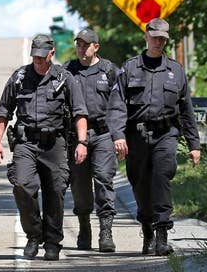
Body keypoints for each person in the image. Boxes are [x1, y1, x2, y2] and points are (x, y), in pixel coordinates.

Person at [107, 18, 201, 256]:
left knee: (162, 178)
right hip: (136, 137)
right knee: (140, 184)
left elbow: (186, 110)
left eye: (162, 38)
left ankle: (162, 236)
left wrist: (194, 144)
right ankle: (147, 230)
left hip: (165, 135)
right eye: (155, 37)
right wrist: (118, 136)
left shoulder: (175, 70)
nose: (158, 42)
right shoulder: (129, 69)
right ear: (146, 37)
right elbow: (117, 105)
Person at [0, 34, 89, 261]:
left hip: (55, 143)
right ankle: (34, 235)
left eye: (41, 56)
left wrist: (82, 142)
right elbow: (4, 111)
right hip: (26, 142)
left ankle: (53, 241)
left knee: (55, 192)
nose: (37, 60)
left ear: (51, 54)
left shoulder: (64, 78)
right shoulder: (20, 77)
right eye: (34, 56)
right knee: (22, 185)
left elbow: (80, 112)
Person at [62, 28, 119, 252]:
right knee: (80, 185)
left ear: (96, 46)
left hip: (103, 133)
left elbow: (121, 103)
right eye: (79, 44)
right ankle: (84, 226)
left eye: (86, 45)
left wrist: (120, 135)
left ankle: (106, 232)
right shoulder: (67, 71)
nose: (81, 49)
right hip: (75, 137)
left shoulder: (110, 71)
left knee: (104, 178)